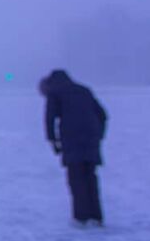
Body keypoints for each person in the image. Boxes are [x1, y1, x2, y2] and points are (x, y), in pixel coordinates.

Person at [39, 70, 108, 227]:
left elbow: (49, 119)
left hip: (72, 139)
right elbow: (103, 115)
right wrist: (99, 135)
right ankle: (96, 216)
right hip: (91, 139)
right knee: (90, 177)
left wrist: (53, 141)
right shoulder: (84, 90)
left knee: (76, 178)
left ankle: (81, 217)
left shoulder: (55, 93)